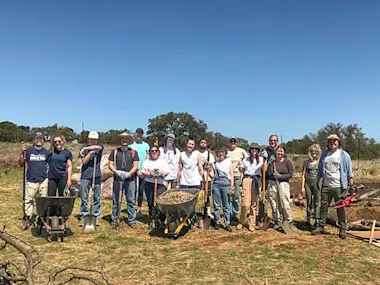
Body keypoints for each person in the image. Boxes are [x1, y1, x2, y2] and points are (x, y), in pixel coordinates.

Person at [312, 135, 353, 239]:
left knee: (340, 208)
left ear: (338, 142)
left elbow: (349, 172)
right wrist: (317, 181)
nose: (333, 143)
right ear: (328, 143)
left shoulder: (344, 155)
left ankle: (343, 229)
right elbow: (320, 170)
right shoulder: (325, 154)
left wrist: (350, 185)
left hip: (339, 186)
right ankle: (321, 226)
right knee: (324, 207)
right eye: (330, 141)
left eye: (335, 141)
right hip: (326, 185)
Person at [19, 133, 50, 230]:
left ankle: (40, 218)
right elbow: (21, 163)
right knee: (29, 200)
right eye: (37, 138)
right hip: (31, 180)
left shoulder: (46, 152)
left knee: (42, 200)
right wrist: (21, 153)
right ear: (34, 140)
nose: (39, 140)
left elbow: (51, 164)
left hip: (43, 180)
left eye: (41, 138)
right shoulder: (28, 151)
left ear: (43, 141)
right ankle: (27, 218)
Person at [108, 132, 139, 229]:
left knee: (131, 200)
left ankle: (131, 220)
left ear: (129, 141)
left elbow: (136, 165)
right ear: (120, 141)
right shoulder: (115, 151)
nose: (124, 141)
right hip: (118, 179)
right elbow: (110, 164)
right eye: (122, 139)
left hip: (130, 180)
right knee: (116, 200)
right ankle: (114, 219)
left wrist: (129, 173)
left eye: (126, 139)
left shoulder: (133, 152)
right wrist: (116, 172)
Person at [78, 131, 104, 226]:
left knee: (96, 197)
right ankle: (84, 216)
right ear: (88, 139)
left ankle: (96, 215)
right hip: (85, 176)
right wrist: (90, 153)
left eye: (94, 140)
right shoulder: (83, 149)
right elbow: (84, 162)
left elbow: (98, 147)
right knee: (84, 197)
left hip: (96, 175)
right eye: (91, 139)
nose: (92, 141)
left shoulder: (100, 146)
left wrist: (90, 149)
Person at [266, 145, 294, 229]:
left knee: (284, 202)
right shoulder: (273, 162)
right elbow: (268, 173)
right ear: (275, 152)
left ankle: (288, 220)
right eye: (278, 151)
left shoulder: (287, 162)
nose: (279, 152)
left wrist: (281, 176)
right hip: (273, 183)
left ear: (284, 152)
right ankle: (277, 220)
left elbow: (290, 174)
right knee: (274, 203)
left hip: (283, 184)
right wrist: (269, 164)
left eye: (281, 151)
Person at [237, 143, 264, 232]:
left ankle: (252, 223)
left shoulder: (261, 159)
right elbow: (241, 171)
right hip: (247, 179)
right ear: (250, 150)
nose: (254, 151)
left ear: (258, 150)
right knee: (245, 203)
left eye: (256, 149)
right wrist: (241, 183)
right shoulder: (245, 160)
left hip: (256, 181)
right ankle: (242, 221)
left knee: (254, 203)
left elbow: (265, 169)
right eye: (252, 149)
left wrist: (266, 160)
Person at [141, 146, 170, 216]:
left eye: (156, 151)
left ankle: (161, 218)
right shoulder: (147, 161)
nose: (154, 152)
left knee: (159, 201)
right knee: (150, 202)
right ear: (150, 153)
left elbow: (167, 172)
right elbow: (143, 171)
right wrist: (150, 174)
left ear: (158, 152)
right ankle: (152, 217)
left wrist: (161, 174)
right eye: (152, 151)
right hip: (149, 184)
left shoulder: (162, 162)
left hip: (160, 184)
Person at [258, 134, 279, 227]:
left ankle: (277, 219)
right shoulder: (264, 151)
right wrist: (266, 160)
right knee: (263, 198)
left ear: (277, 141)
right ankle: (263, 216)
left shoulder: (279, 150)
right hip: (265, 178)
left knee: (275, 199)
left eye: (274, 140)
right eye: (271, 140)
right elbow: (261, 165)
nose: (272, 142)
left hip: (275, 179)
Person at [129, 128, 150, 216]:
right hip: (134, 170)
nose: (139, 135)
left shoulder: (146, 145)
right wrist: (135, 169)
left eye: (141, 133)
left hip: (143, 171)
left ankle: (139, 208)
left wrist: (145, 169)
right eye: (138, 133)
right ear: (135, 134)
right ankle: (132, 207)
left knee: (141, 190)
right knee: (133, 189)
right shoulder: (131, 146)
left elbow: (148, 157)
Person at [226, 136, 248, 221]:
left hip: (237, 175)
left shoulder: (241, 151)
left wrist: (242, 167)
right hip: (228, 176)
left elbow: (248, 160)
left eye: (234, 142)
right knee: (228, 195)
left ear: (236, 143)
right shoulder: (227, 152)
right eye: (231, 142)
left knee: (236, 195)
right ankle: (228, 213)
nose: (232, 143)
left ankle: (234, 213)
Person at [212, 147, 234, 232]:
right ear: (217, 153)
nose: (221, 154)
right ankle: (217, 222)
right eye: (219, 152)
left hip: (226, 184)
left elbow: (231, 174)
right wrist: (208, 169)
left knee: (226, 205)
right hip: (216, 184)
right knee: (216, 205)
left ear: (225, 153)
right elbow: (212, 175)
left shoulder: (228, 162)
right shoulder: (215, 163)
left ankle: (227, 223)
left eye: (222, 152)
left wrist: (231, 186)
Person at [301, 144, 322, 228]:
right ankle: (308, 220)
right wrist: (302, 187)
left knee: (317, 202)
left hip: (317, 184)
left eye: (316, 151)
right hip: (308, 184)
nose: (314, 153)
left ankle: (317, 220)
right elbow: (303, 175)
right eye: (312, 151)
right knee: (309, 202)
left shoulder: (321, 162)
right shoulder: (306, 162)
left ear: (318, 152)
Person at [199, 138, 215, 219]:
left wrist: (209, 169)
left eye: (204, 143)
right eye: (201, 142)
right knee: (197, 196)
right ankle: (196, 212)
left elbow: (212, 166)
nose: (203, 144)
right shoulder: (196, 153)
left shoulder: (209, 154)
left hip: (207, 178)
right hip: (197, 178)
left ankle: (208, 212)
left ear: (206, 144)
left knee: (207, 196)